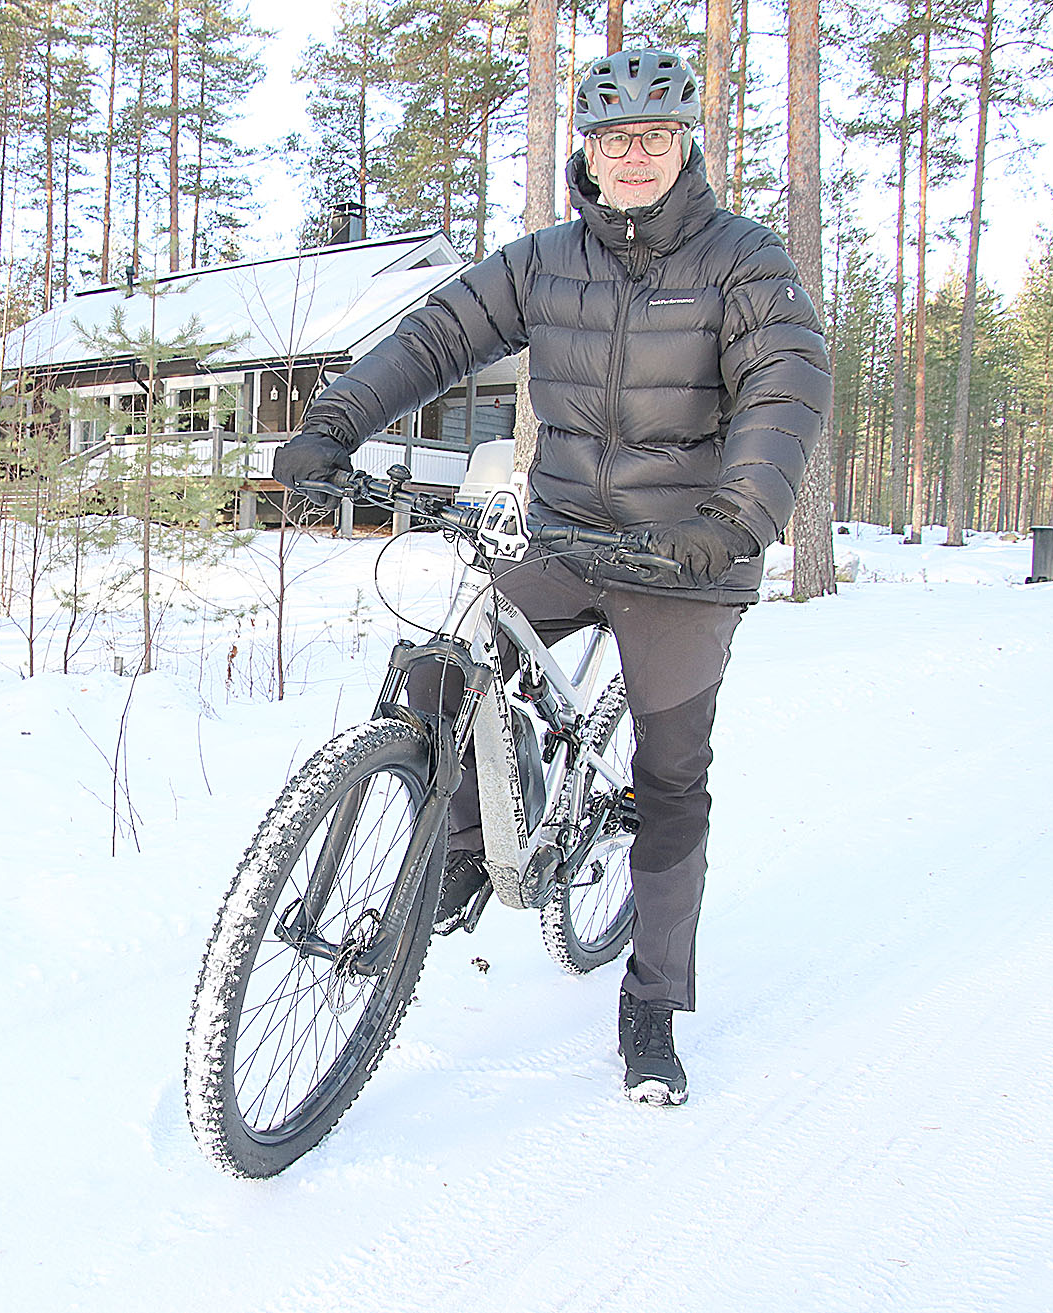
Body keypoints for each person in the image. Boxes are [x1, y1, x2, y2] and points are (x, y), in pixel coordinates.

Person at [271, 48, 831, 1106]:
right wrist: (333, 425)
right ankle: (471, 849)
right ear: (586, 147)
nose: (633, 157)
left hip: (685, 554)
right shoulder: (543, 261)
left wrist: (736, 517)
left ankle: (651, 1002)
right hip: (569, 532)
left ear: (684, 144)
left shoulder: (743, 263)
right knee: (444, 672)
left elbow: (784, 389)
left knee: (670, 781)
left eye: (654, 139)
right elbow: (437, 336)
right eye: (615, 140)